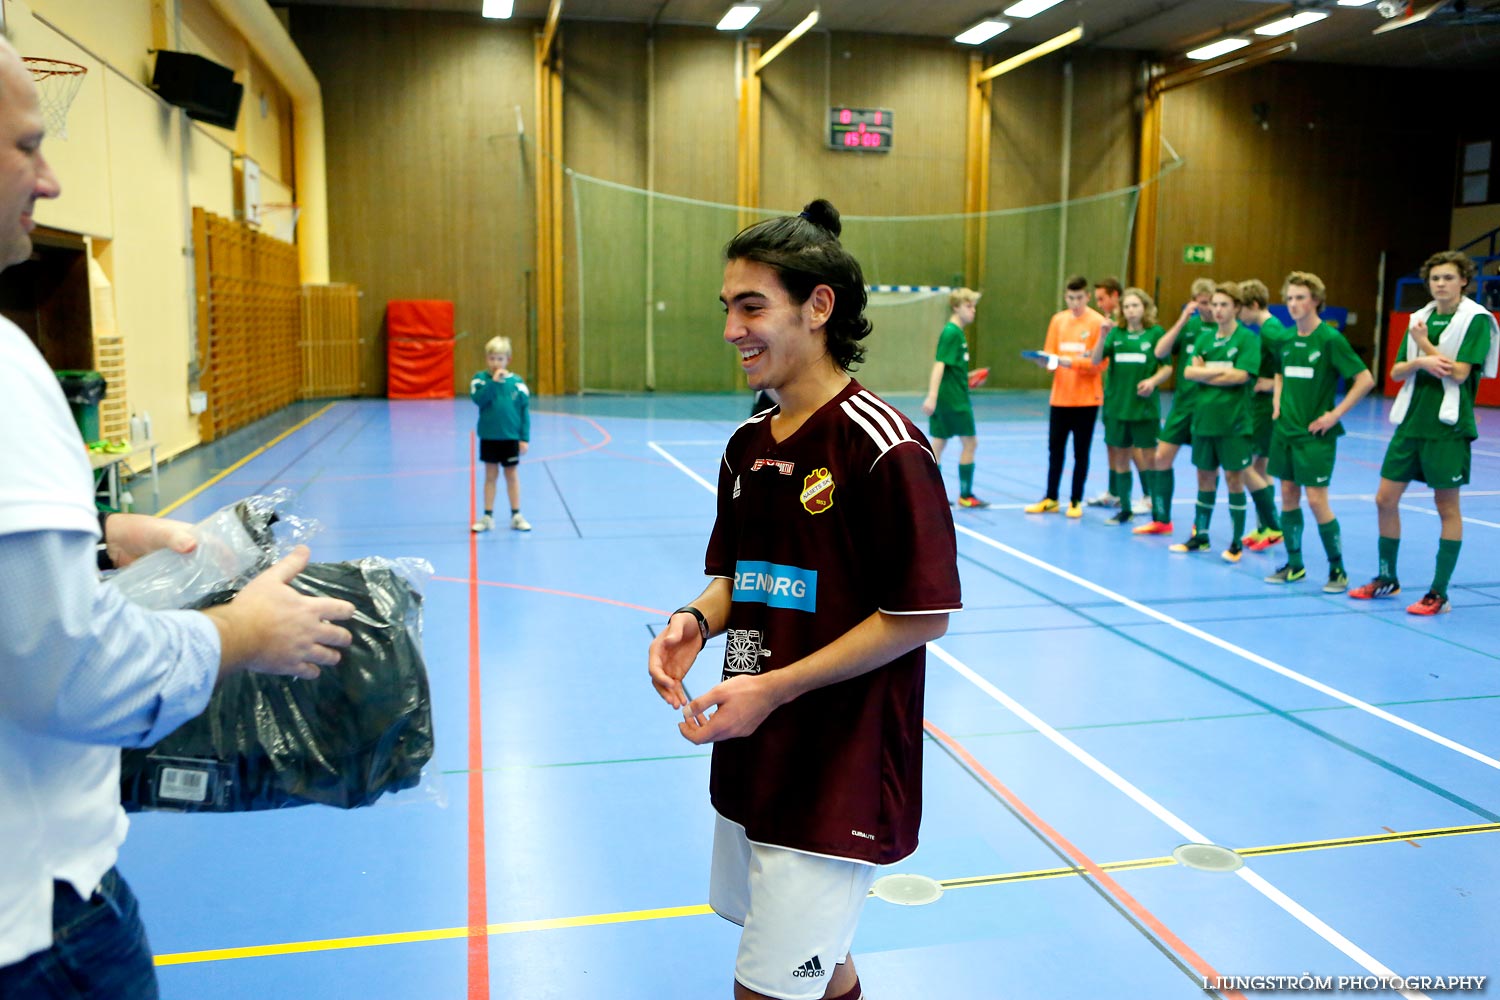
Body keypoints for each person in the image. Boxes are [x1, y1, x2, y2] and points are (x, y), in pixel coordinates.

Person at [0, 35, 357, 998]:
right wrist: (240, 632)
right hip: (36, 920)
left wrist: (101, 543)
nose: (50, 178)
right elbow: (70, 674)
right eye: (26, 146)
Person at [647, 199, 960, 1000]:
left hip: (836, 765)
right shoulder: (746, 443)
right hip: (755, 745)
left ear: (819, 307)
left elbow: (921, 614)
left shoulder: (885, 446)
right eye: (728, 308)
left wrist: (774, 689)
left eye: (752, 306)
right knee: (818, 965)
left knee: (768, 985)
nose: (732, 329)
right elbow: (737, 574)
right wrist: (693, 620)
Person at [1349, 250, 1498, 615]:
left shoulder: (1476, 320)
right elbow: (1398, 372)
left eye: (1448, 278)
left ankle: (1439, 593)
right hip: (1411, 423)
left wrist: (1427, 350)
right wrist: (1419, 359)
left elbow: (1459, 373)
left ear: (1464, 280)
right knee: (1385, 498)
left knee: (1446, 506)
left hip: (1447, 428)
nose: (1441, 284)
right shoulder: (1419, 319)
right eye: (1435, 279)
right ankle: (1387, 577)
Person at [1263, 272, 1374, 591]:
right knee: (1287, 494)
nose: (1294, 304)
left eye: (1300, 298)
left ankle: (1337, 570)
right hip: (1285, 432)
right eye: (1289, 299)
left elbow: (1365, 379)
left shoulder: (1329, 339)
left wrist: (1334, 415)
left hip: (1315, 436)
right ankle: (1295, 565)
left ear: (1316, 301)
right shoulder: (1284, 338)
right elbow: (1280, 373)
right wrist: (1276, 402)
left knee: (1315, 500)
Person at [1169, 281, 1260, 562]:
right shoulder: (1205, 339)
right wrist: (1216, 372)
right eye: (1215, 305)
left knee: (1235, 479)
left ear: (1236, 308)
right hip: (1204, 420)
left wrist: (1204, 371)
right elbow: (1187, 372)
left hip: (1233, 423)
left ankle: (1235, 543)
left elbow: (1241, 376)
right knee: (1204, 477)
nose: (1218, 310)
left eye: (1224, 305)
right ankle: (1201, 536)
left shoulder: (1247, 339)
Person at [1134, 277, 1217, 536]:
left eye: (1210, 303)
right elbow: (1160, 352)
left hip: (1208, 409)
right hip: (1182, 407)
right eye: (1201, 303)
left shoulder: (1223, 331)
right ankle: (1162, 519)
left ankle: (1200, 528)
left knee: (1206, 471)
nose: (1207, 308)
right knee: (1160, 458)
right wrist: (1182, 319)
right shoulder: (1190, 325)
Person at [1024, 275, 1106, 518]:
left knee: (1081, 452)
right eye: (1071, 298)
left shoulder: (1097, 323)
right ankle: (1051, 497)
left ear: (1087, 297)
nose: (1075, 303)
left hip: (1086, 399)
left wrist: (1070, 362)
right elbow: (1051, 357)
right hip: (1060, 398)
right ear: (1065, 297)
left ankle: (1075, 500)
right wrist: (1045, 362)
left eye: (1079, 298)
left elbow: (1098, 364)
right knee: (1055, 450)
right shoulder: (1058, 321)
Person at [1090, 287, 1168, 524]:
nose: (1131, 310)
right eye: (1126, 306)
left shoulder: (1155, 334)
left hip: (1144, 409)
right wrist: (1103, 335)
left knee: (1150, 457)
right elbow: (1095, 360)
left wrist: (1153, 381)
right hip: (1117, 407)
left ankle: (1157, 507)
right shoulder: (1116, 333)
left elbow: (1167, 367)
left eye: (1135, 305)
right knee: (1120, 457)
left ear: (1144, 308)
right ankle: (1125, 508)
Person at [922, 287, 989, 508]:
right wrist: (931, 396)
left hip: (951, 395)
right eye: (968, 306)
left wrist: (968, 377)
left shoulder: (957, 332)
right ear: (956, 307)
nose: (973, 311)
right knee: (970, 442)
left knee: (939, 445)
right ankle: (966, 495)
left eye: (974, 307)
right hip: (953, 400)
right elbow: (939, 364)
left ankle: (932, 494)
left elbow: (951, 369)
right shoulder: (951, 332)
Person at [1237, 279, 1288, 551]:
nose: (1239, 315)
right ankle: (1265, 526)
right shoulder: (1265, 330)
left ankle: (1273, 523)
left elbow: (1287, 365)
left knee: (1245, 464)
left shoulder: (1272, 330)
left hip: (1265, 407)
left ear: (1253, 305)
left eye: (1241, 309)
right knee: (1259, 467)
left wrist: (1270, 386)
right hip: (1260, 403)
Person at [469, 336, 531, 532]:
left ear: (508, 360)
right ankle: (487, 516)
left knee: (511, 474)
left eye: (500, 359)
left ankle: (516, 515)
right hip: (489, 437)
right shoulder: (480, 380)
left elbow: (524, 412)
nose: (496, 363)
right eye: (492, 358)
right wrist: (493, 384)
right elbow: (479, 400)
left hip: (510, 437)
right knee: (490, 476)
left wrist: (524, 438)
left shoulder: (518, 383)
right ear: (487, 359)